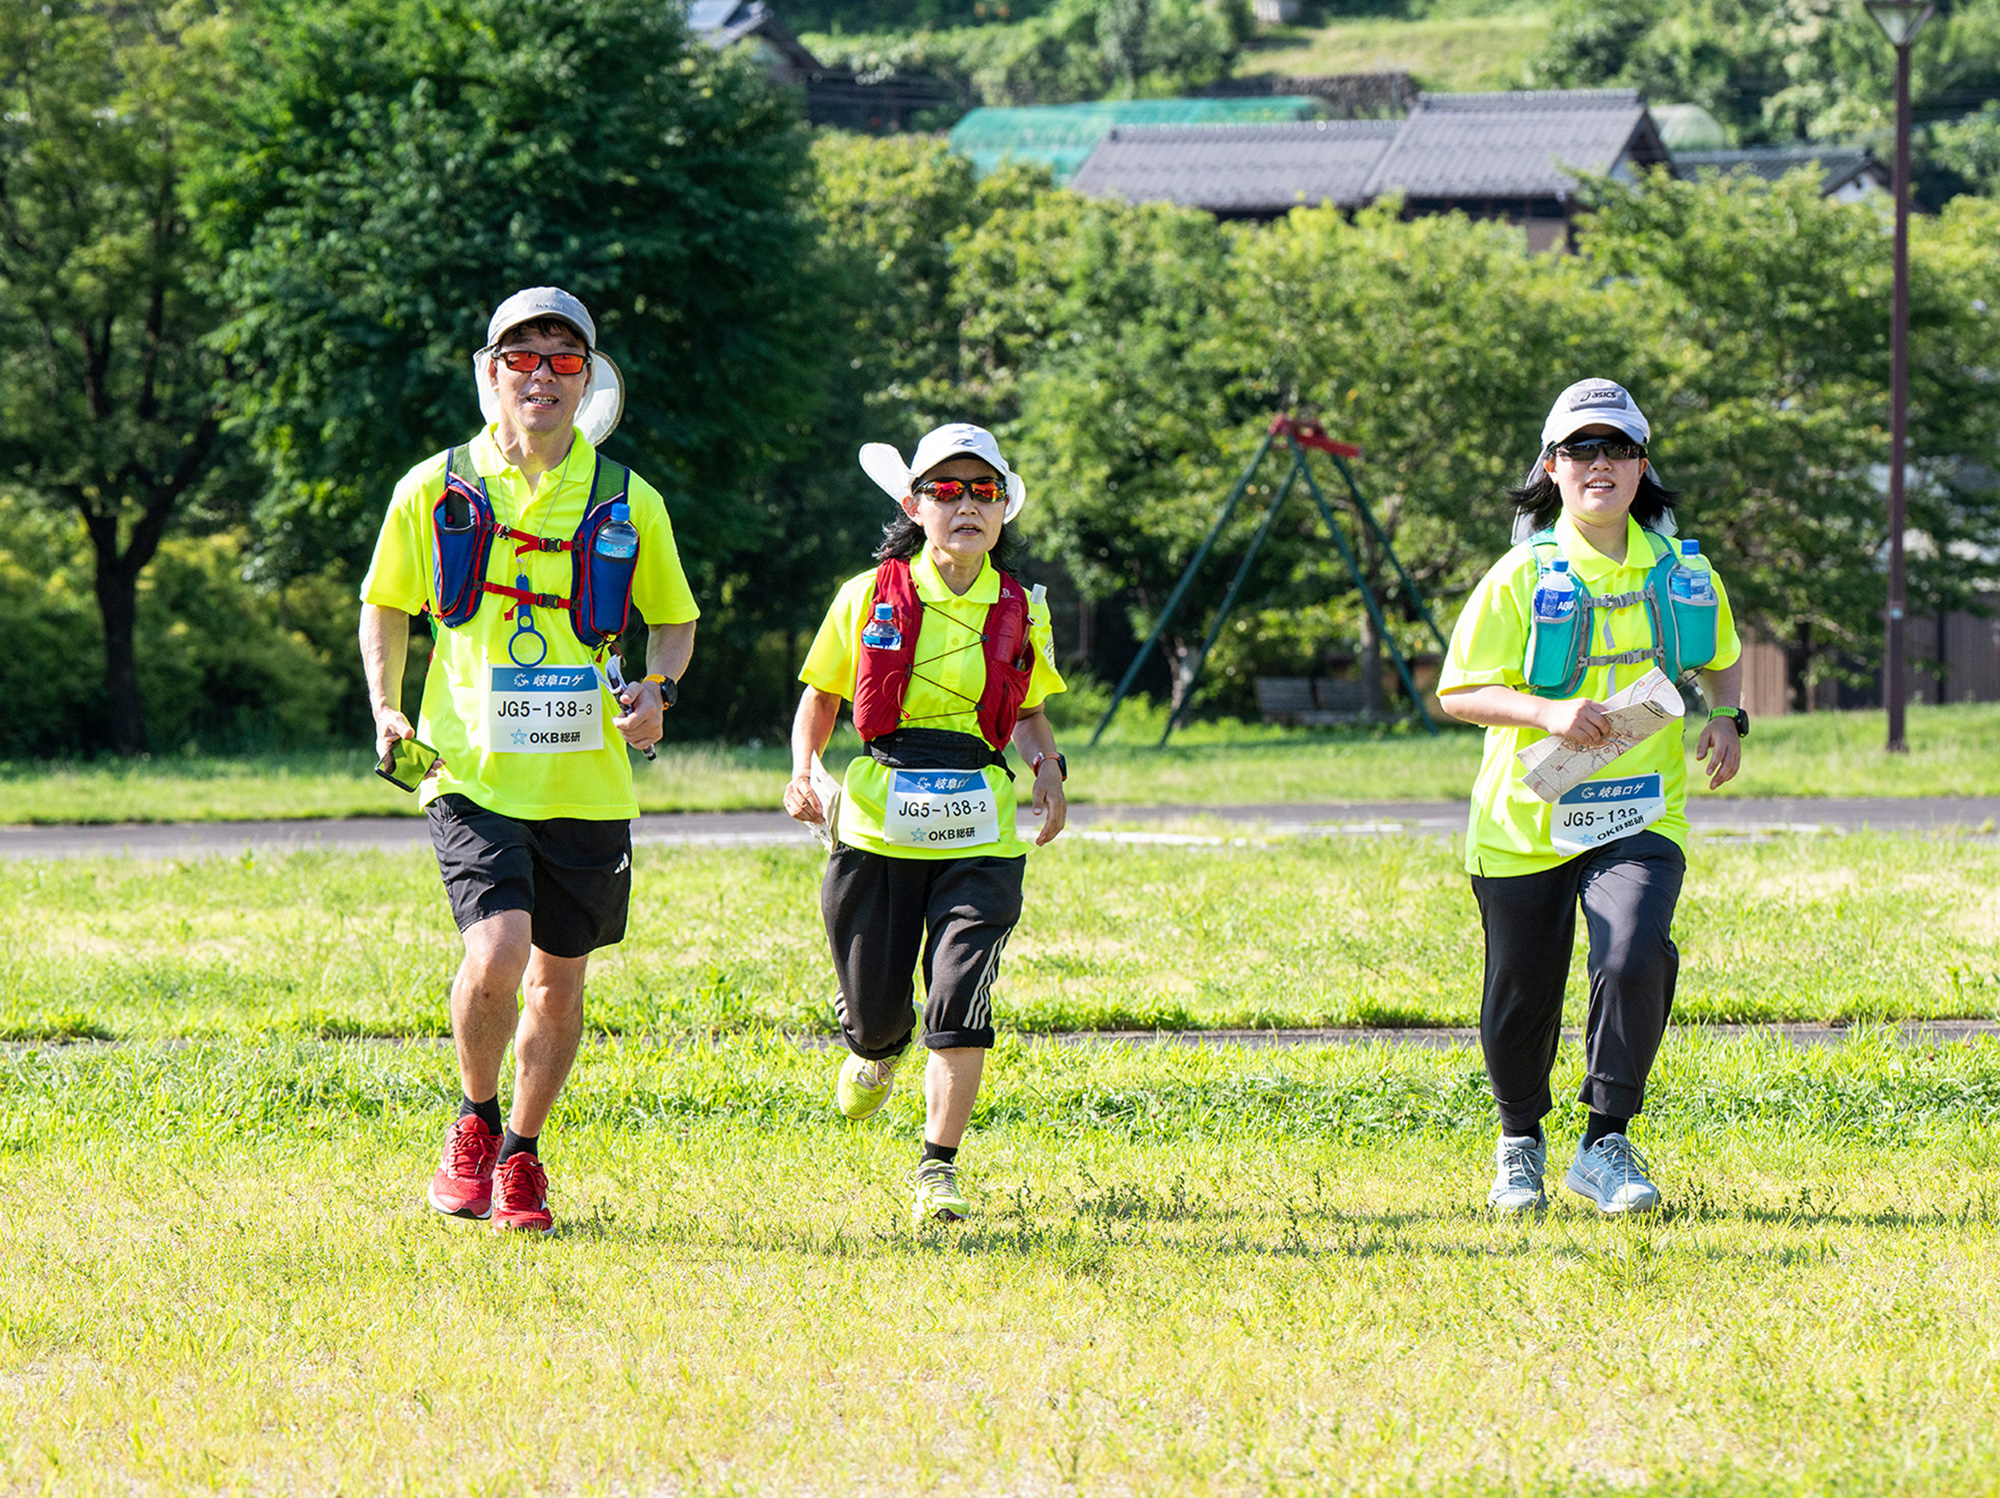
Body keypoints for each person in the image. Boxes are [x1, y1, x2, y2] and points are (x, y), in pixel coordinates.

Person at [359, 287, 699, 1234]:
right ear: (491, 372)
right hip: (469, 766)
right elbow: (384, 601)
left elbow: (674, 621)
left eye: (562, 358)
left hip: (588, 775)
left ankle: (521, 1153)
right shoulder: (434, 486)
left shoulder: (630, 497)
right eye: (522, 356)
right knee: (499, 948)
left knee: (558, 975)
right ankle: (471, 1120)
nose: (541, 374)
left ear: (587, 378)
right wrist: (387, 706)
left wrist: (656, 694)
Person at [1436, 379, 1746, 1216]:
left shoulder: (1684, 570)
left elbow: (1717, 652)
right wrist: (1547, 713)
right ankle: (1519, 1144)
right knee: (1519, 993)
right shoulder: (1518, 578)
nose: (1598, 464)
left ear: (1642, 466)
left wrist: (1727, 718)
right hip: (1526, 817)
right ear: (1552, 467)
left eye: (1615, 448)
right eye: (1580, 449)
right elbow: (1457, 694)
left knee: (1632, 952)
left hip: (1640, 809)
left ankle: (1605, 1139)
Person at [783, 423, 1068, 1224]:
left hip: (980, 823)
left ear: (1004, 508)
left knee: (959, 994)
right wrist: (805, 769)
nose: (966, 504)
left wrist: (1048, 772)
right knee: (878, 1014)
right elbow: (822, 696)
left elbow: (1031, 707)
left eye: (984, 491)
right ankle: (873, 1052)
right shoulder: (868, 594)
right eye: (947, 490)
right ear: (915, 505)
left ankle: (937, 1168)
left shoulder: (1021, 606)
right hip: (878, 823)